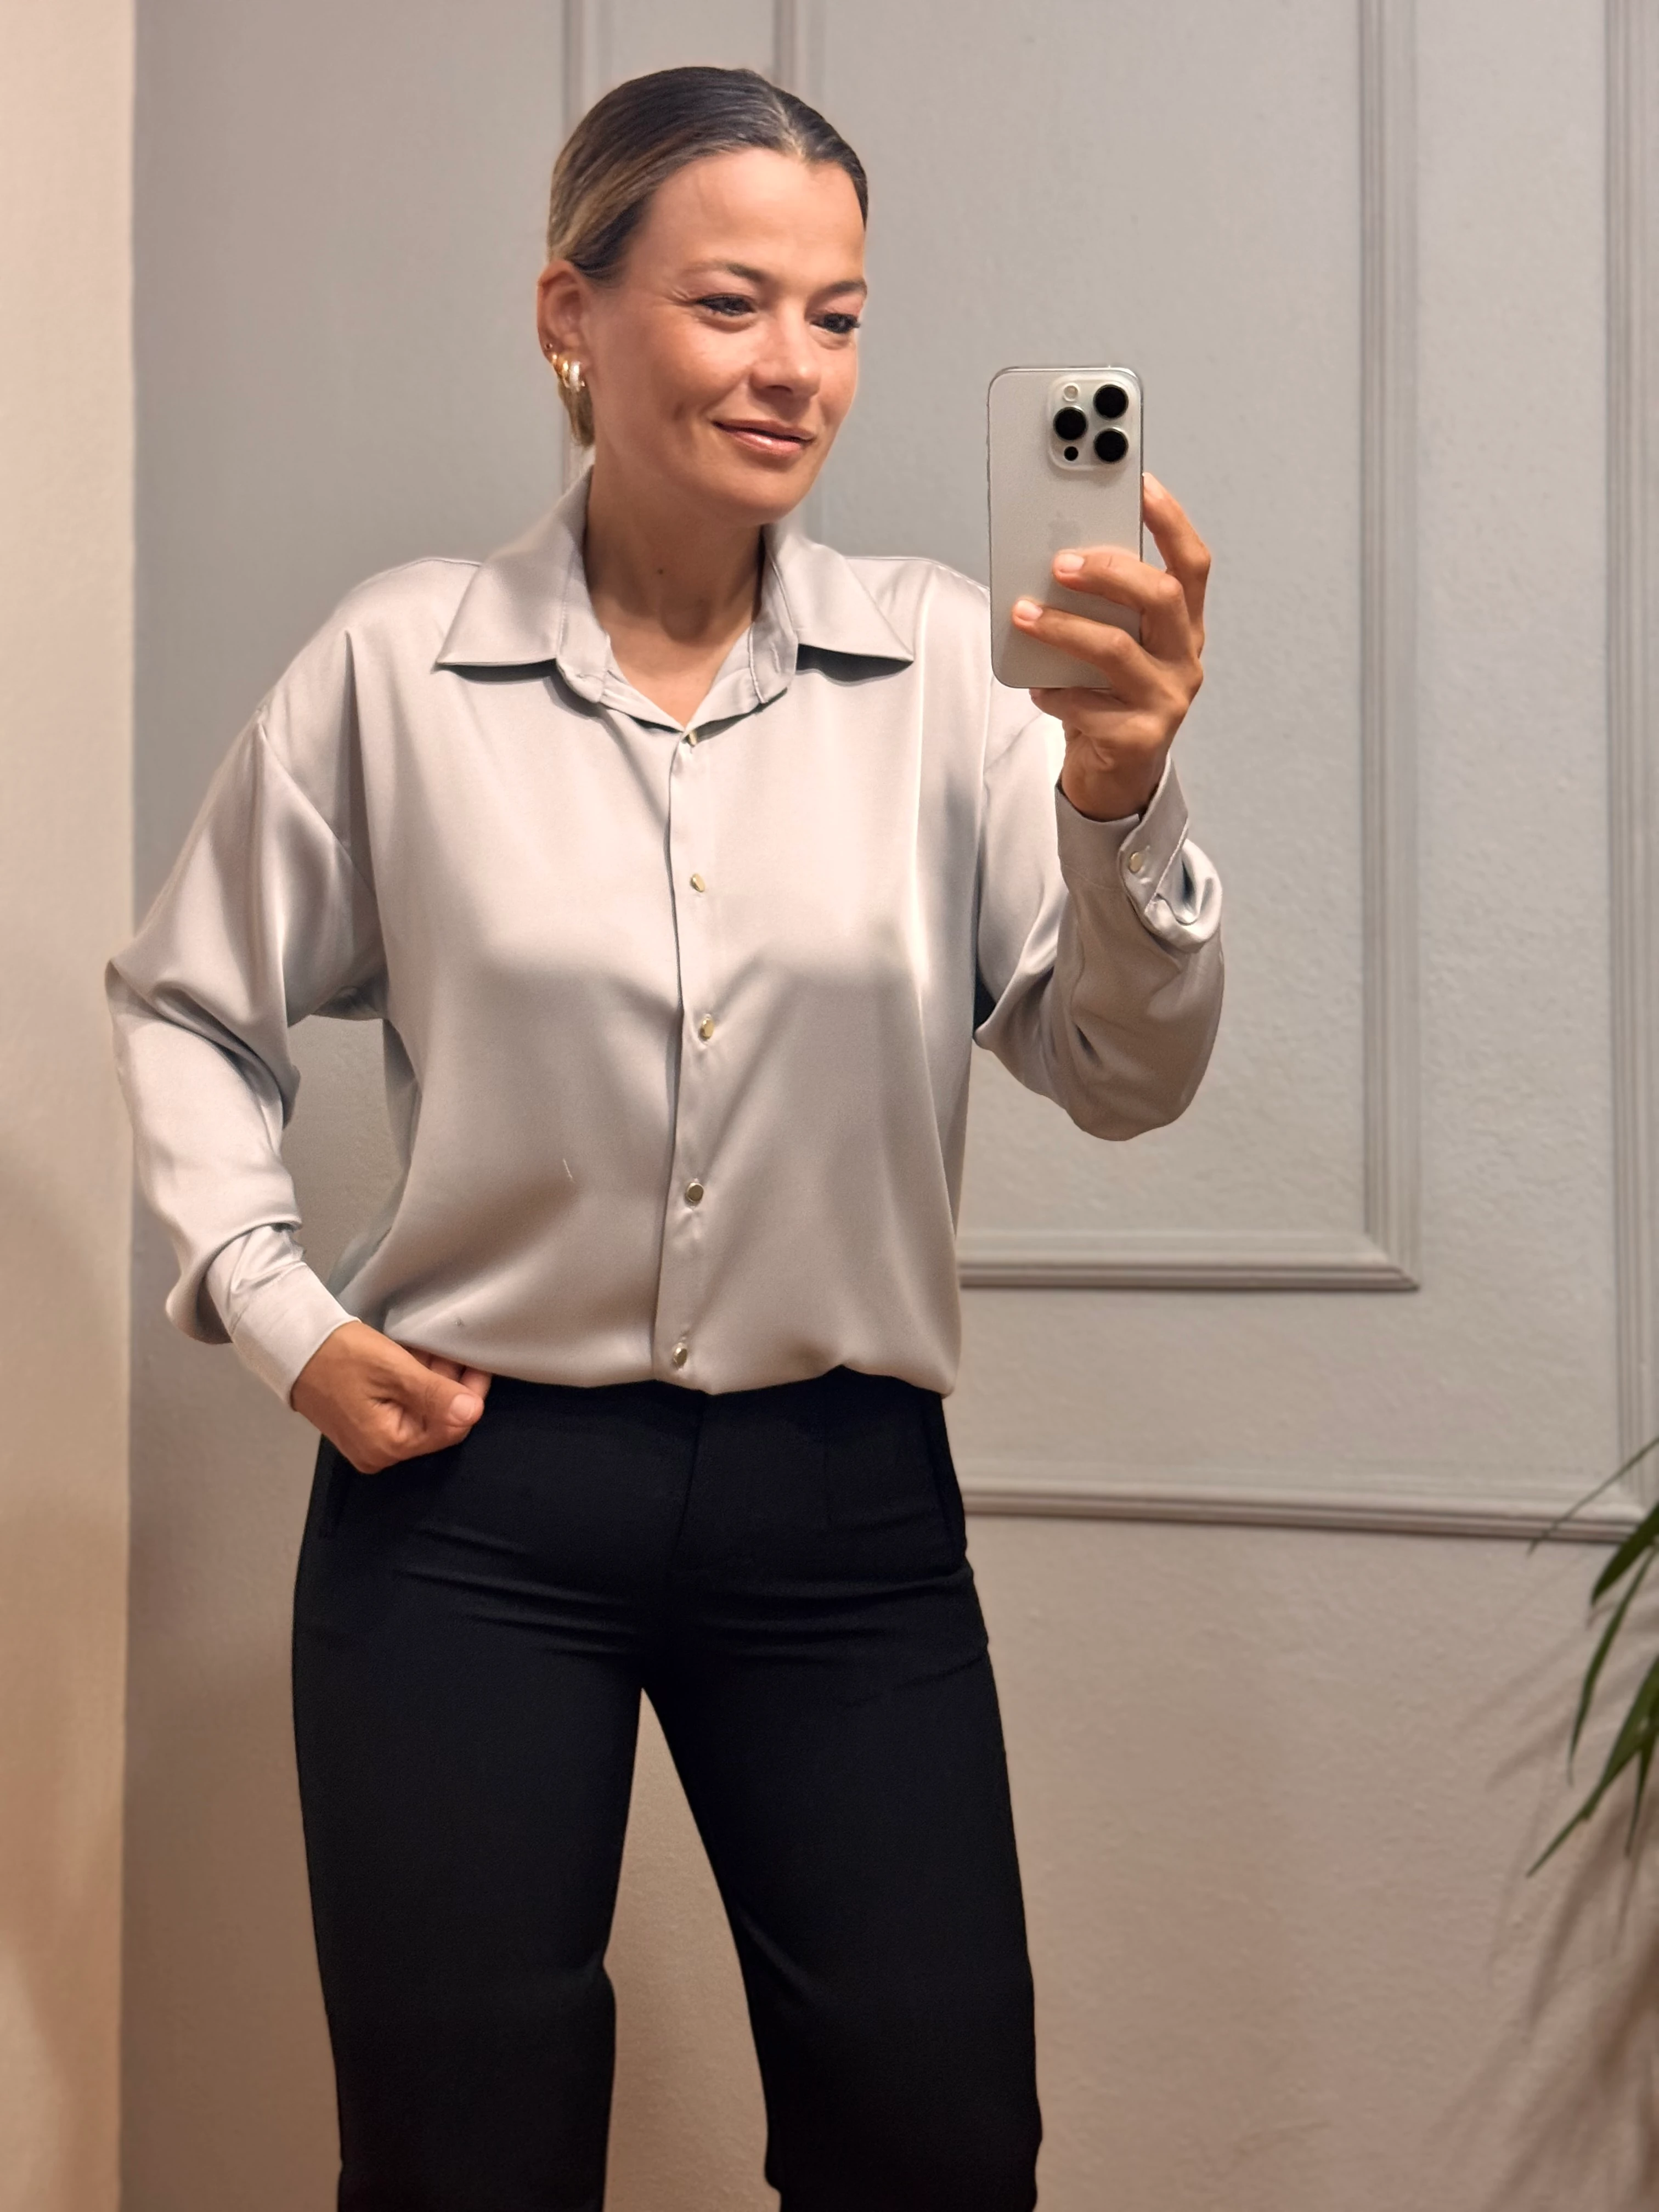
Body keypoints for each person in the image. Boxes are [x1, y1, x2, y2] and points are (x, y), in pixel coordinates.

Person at [108, 63, 1222, 2212]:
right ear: (572, 313)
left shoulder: (952, 672)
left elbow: (1123, 1069)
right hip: (469, 1503)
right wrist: (275, 1309)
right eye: (731, 303)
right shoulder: (396, 669)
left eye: (839, 314)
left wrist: (1118, 800)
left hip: (844, 1509)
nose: (796, 366)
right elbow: (186, 1002)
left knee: (938, 2143)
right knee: (461, 2160)